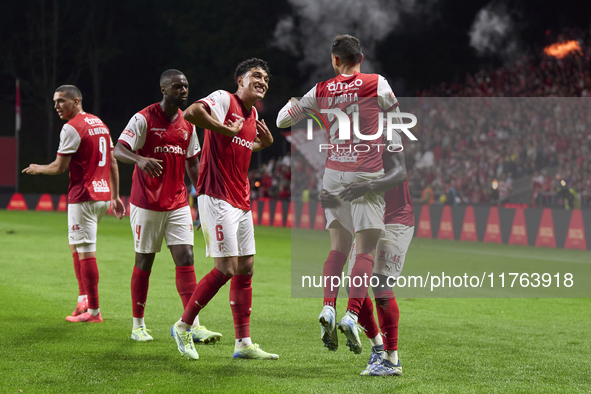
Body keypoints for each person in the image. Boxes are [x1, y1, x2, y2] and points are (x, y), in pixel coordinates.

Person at [276, 35, 398, 355]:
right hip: (365, 173)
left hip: (332, 176)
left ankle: (329, 306)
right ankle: (351, 314)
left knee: (337, 249)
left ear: (334, 60)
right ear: (361, 56)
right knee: (365, 252)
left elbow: (282, 120)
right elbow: (394, 116)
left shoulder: (320, 90)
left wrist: (298, 106)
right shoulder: (375, 82)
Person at [169, 58, 277, 360]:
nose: (263, 81)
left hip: (241, 198)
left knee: (246, 268)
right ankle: (183, 325)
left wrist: (263, 145)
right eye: (256, 75)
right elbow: (191, 114)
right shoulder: (223, 98)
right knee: (226, 268)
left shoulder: (253, 114)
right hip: (216, 195)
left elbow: (239, 144)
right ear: (239, 80)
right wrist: (222, 128)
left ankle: (243, 343)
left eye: (266, 78)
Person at [114, 70, 220, 343]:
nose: (183, 90)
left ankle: (192, 324)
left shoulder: (188, 124)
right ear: (163, 88)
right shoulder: (143, 118)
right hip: (146, 203)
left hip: (178, 203)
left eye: (185, 86)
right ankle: (138, 325)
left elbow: (193, 162)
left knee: (186, 258)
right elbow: (119, 149)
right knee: (145, 260)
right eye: (177, 86)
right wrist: (139, 160)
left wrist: (203, 197)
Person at [23, 84, 125, 323]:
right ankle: (83, 298)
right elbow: (112, 162)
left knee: (87, 251)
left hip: (84, 196)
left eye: (61, 101)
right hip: (101, 195)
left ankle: (94, 312)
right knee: (75, 244)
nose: (57, 106)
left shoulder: (71, 128)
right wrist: (116, 195)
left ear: (76, 101)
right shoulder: (99, 123)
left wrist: (39, 168)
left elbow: (60, 167)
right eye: (55, 102)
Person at [321, 129, 413, 376]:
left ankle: (392, 360)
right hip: (369, 216)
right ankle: (377, 347)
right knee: (354, 288)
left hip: (395, 217)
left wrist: (368, 186)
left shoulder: (387, 130)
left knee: (380, 284)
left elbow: (400, 172)